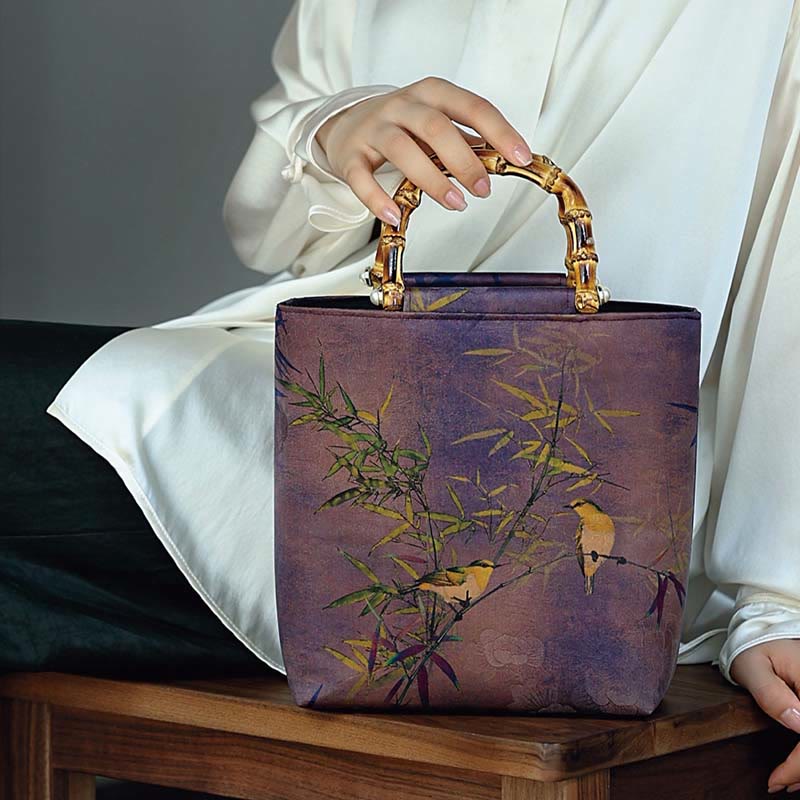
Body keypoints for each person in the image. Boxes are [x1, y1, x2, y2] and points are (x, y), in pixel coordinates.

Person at [3, 0, 800, 791]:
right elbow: (269, 231)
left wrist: (781, 598)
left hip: (573, 535)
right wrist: (332, 131)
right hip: (290, 419)